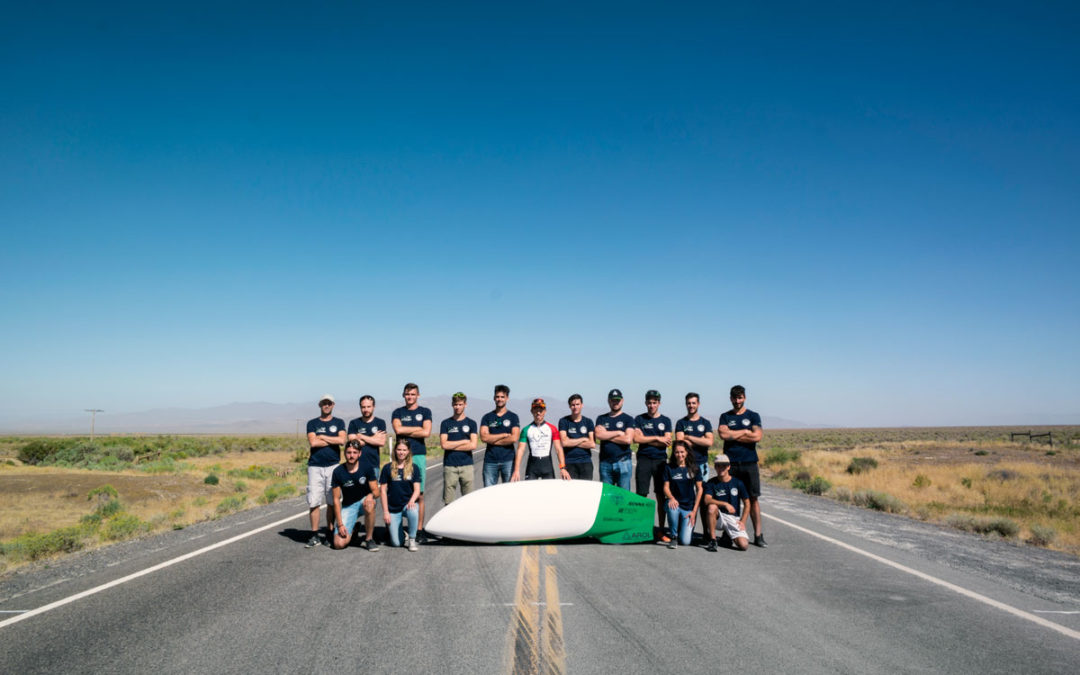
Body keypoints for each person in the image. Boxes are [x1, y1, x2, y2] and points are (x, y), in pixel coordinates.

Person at [718, 384, 766, 547]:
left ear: (744, 398)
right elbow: (723, 434)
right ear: (730, 398)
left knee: (753, 498)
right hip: (730, 464)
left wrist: (734, 435)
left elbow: (757, 436)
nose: (737, 401)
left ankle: (758, 535)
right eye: (734, 398)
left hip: (749, 463)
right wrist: (745, 432)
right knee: (730, 498)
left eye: (740, 398)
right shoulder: (725, 416)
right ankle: (727, 533)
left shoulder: (753, 416)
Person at [391, 383, 432, 540]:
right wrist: (417, 429)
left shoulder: (425, 412)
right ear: (403, 395)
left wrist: (406, 429)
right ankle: (399, 529)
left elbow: (427, 432)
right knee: (398, 491)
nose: (410, 397)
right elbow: (398, 430)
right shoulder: (397, 412)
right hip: (400, 456)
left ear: (418, 395)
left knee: (419, 494)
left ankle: (419, 530)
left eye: (413, 394)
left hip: (418, 455)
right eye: (407, 394)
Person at [305, 395, 346, 548]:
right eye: (324, 403)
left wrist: (322, 436)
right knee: (314, 501)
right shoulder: (312, 423)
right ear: (319, 405)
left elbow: (342, 441)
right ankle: (314, 534)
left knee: (332, 501)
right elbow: (313, 442)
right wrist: (331, 438)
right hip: (315, 466)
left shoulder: (339, 422)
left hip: (333, 466)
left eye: (329, 403)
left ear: (333, 405)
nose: (326, 406)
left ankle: (329, 532)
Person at [633, 389, 672, 540]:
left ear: (659, 403)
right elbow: (637, 439)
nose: (651, 405)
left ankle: (661, 529)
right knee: (642, 495)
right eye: (649, 402)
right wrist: (657, 438)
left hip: (660, 461)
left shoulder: (666, 420)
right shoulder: (639, 419)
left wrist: (647, 438)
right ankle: (641, 528)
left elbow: (667, 442)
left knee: (661, 495)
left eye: (654, 402)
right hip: (643, 460)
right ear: (645, 403)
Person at [676, 392, 714, 539]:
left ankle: (706, 533)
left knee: (703, 499)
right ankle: (686, 531)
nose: (691, 406)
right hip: (686, 466)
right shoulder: (681, 423)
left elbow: (709, 442)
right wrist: (700, 439)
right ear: (686, 404)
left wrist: (690, 437)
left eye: (693, 403)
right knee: (686, 499)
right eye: (688, 403)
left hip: (702, 467)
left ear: (698, 404)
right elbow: (680, 443)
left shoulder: (705, 423)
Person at [330, 441, 380, 551]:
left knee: (370, 503)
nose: (351, 455)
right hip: (349, 506)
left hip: (364, 502)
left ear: (359, 454)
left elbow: (377, 491)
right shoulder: (338, 471)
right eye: (348, 452)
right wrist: (340, 524)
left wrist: (371, 495)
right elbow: (336, 499)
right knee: (338, 544)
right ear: (344, 453)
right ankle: (354, 529)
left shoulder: (367, 467)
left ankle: (369, 539)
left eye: (354, 452)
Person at [511, 398, 570, 481]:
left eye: (541, 410)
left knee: (549, 493)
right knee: (530, 492)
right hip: (532, 467)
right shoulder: (526, 429)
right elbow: (520, 450)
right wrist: (516, 470)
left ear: (545, 411)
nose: (538, 412)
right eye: (536, 410)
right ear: (531, 411)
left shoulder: (552, 428)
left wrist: (563, 468)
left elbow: (558, 449)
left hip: (547, 467)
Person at [702, 453, 750, 552]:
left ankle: (727, 536)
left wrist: (743, 521)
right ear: (715, 467)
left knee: (744, 545)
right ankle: (713, 540)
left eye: (724, 466)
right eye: (718, 466)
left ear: (728, 467)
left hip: (733, 518)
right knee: (711, 507)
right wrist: (724, 504)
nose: (721, 468)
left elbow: (747, 503)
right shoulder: (711, 483)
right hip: (719, 517)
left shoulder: (738, 483)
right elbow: (706, 500)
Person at [380, 438, 421, 551]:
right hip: (393, 508)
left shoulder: (414, 468)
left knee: (413, 510)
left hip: (407, 505)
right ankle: (403, 535)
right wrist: (386, 512)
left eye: (404, 450)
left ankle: (412, 539)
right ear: (395, 450)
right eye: (399, 449)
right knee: (396, 543)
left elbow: (417, 490)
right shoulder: (387, 468)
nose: (401, 452)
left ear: (408, 452)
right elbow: (383, 491)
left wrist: (412, 500)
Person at [662, 440, 702, 549]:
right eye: (677, 452)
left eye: (682, 452)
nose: (680, 455)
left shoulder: (694, 468)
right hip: (674, 503)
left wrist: (694, 511)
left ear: (687, 452)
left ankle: (681, 528)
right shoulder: (669, 468)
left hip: (688, 508)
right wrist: (671, 498)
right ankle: (673, 536)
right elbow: (665, 487)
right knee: (672, 507)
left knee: (685, 541)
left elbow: (700, 489)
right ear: (673, 453)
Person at [439, 392, 478, 504]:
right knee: (449, 501)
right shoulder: (446, 423)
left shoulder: (471, 423)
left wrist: (452, 445)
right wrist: (463, 441)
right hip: (450, 466)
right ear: (452, 405)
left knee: (468, 500)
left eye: (460, 404)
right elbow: (444, 445)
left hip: (467, 465)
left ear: (465, 405)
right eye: (455, 404)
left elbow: (473, 445)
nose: (458, 407)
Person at [480, 384, 520, 486]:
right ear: (494, 398)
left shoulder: (513, 417)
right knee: (488, 493)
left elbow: (514, 438)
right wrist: (503, 435)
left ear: (507, 398)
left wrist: (492, 439)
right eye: (497, 397)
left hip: (508, 461)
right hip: (490, 461)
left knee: (510, 493)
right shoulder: (487, 417)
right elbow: (484, 437)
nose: (499, 399)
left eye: (502, 397)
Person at [595, 389, 634, 490]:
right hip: (605, 464)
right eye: (613, 400)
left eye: (618, 400)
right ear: (608, 401)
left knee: (624, 497)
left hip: (623, 463)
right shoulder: (601, 418)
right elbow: (598, 435)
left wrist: (606, 435)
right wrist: (618, 432)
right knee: (607, 496)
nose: (615, 402)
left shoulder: (628, 419)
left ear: (622, 401)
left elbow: (628, 439)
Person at [347, 395, 387, 479]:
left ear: (374, 407)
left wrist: (361, 436)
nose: (366, 410)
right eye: (363, 407)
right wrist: (374, 438)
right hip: (355, 465)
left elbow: (381, 442)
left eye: (368, 407)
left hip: (373, 465)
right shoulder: (354, 423)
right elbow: (354, 443)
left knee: (374, 491)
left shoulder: (380, 422)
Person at [558, 394, 596, 480]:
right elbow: (564, 442)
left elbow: (592, 444)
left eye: (578, 404)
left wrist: (571, 441)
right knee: (571, 492)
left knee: (586, 491)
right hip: (569, 462)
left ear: (582, 405)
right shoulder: (563, 421)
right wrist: (583, 439)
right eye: (573, 405)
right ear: (569, 406)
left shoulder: (588, 422)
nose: (575, 407)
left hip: (586, 462)